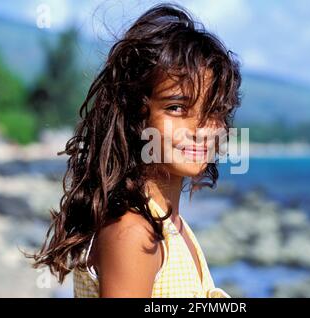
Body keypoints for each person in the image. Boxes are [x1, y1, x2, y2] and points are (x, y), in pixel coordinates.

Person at [27, 2, 242, 298]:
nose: (200, 128)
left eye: (214, 110)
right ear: (136, 116)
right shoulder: (132, 233)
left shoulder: (174, 228)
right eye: (177, 107)